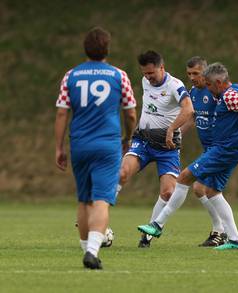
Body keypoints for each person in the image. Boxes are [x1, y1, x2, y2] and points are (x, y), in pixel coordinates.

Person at [138, 62, 238, 250]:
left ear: (218, 82)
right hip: (230, 150)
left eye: (208, 85)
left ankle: (157, 225)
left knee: (184, 177)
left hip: (224, 150)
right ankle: (235, 240)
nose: (206, 88)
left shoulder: (230, 96)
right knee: (210, 191)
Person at [55, 27, 137, 269]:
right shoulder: (118, 76)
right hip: (108, 144)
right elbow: (131, 113)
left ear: (85, 49)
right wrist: (128, 137)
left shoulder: (71, 76)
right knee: (101, 199)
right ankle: (92, 251)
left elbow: (62, 112)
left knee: (83, 199)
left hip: (80, 143)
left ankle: (87, 252)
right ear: (107, 49)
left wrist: (59, 147)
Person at [117, 50, 194, 248]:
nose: (148, 77)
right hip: (143, 141)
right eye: (144, 73)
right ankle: (95, 217)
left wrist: (171, 129)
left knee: (169, 193)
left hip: (167, 148)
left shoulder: (175, 86)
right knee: (122, 173)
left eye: (151, 73)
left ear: (162, 68)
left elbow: (188, 109)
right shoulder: (145, 81)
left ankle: (147, 235)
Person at [182, 56, 227, 247]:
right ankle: (221, 231)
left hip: (219, 148)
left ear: (205, 72)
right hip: (208, 149)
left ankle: (222, 232)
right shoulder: (193, 92)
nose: (192, 77)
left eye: (196, 73)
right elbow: (193, 118)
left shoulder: (216, 92)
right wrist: (178, 134)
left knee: (201, 188)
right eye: (189, 74)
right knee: (203, 189)